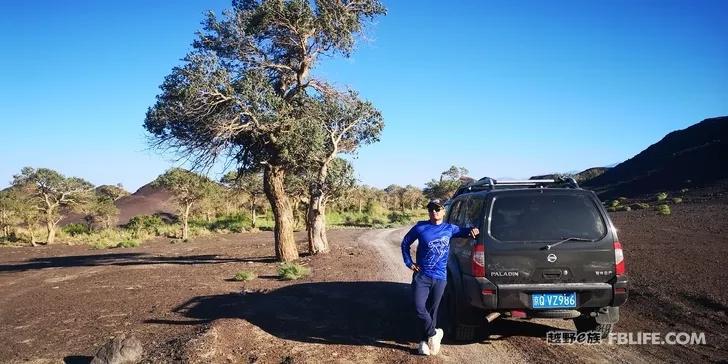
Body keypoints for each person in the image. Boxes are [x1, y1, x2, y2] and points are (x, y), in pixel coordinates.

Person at [401, 199, 479, 356]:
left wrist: (474, 230)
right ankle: (434, 334)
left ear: (444, 211)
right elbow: (405, 243)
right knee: (418, 307)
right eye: (431, 209)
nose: (434, 211)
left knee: (432, 310)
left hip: (440, 277)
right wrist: (409, 263)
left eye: (437, 209)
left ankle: (424, 342)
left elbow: (467, 231)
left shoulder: (450, 228)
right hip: (422, 276)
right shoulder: (420, 227)